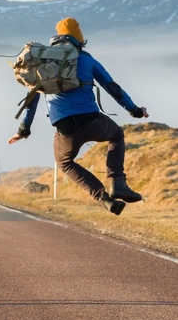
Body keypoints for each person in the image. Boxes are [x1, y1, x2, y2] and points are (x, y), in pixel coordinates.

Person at [8, 18, 149, 215]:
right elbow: (112, 87)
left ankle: (104, 199)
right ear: (79, 38)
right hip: (91, 119)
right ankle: (117, 182)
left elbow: (32, 98)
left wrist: (24, 130)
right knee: (116, 134)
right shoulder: (86, 59)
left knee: (65, 163)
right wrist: (134, 110)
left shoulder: (45, 63)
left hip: (65, 128)